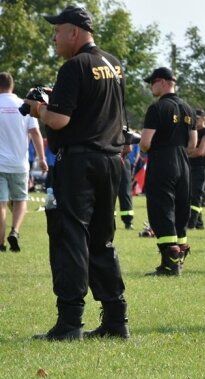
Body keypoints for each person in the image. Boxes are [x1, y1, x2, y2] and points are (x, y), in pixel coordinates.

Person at [27, 5, 129, 340]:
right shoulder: (113, 64)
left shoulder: (75, 66)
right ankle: (116, 320)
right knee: (102, 239)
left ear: (74, 32)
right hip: (111, 161)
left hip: (79, 164)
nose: (54, 38)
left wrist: (39, 108)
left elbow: (60, 121)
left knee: (70, 238)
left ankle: (70, 323)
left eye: (57, 31)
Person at [139, 66, 197, 276]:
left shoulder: (157, 108)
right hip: (183, 162)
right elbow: (193, 144)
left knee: (161, 209)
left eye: (152, 83)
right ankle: (179, 257)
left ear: (162, 82)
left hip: (163, 161)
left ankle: (169, 263)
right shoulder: (189, 109)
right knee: (181, 210)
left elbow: (145, 143)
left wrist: (145, 142)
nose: (150, 87)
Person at [0, 72, 47, 252]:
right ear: (12, 85)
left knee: (1, 203)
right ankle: (16, 231)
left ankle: (1, 243)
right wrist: (42, 159)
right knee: (20, 200)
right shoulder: (24, 104)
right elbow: (36, 133)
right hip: (20, 164)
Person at [187, 108, 205, 229]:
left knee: (196, 194)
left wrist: (187, 153)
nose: (195, 121)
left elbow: (200, 151)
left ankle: (191, 223)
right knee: (189, 194)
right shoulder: (190, 131)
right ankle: (199, 223)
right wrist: (193, 151)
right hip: (189, 166)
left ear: (204, 119)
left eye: (197, 118)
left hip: (200, 167)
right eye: (194, 118)